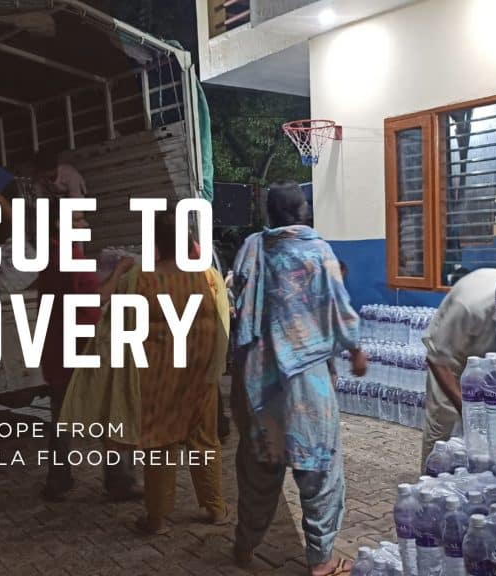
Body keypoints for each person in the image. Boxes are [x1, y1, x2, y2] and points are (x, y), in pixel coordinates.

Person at [60, 212, 229, 535]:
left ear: (156, 244)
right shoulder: (208, 277)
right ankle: (216, 508)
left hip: (157, 378)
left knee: (160, 445)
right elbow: (222, 327)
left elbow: (114, 329)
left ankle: (157, 518)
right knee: (204, 441)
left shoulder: (139, 279)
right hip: (199, 376)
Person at [231, 183, 367, 576]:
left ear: (269, 214)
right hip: (308, 381)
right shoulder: (318, 251)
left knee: (259, 468)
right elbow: (339, 307)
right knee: (320, 470)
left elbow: (241, 301)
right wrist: (355, 349)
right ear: (303, 211)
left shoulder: (253, 248)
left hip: (260, 377)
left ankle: (245, 544)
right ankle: (322, 560)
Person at [38, 208, 135, 502]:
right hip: (80, 347)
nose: (85, 224)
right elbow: (94, 297)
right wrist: (120, 271)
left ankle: (58, 478)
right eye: (79, 219)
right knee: (109, 410)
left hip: (61, 347)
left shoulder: (57, 254)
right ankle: (117, 480)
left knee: (62, 415)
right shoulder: (66, 257)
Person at [419, 268, 496, 469]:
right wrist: (466, 407)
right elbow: (437, 360)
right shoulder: (468, 307)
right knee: (442, 422)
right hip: (451, 356)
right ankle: (430, 479)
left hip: (488, 356)